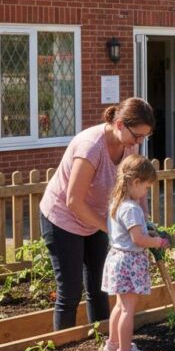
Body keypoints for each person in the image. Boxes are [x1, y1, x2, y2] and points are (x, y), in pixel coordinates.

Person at [39, 98, 155, 330]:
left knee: (100, 287)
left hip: (98, 217)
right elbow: (73, 201)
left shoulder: (130, 144)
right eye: (137, 135)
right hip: (63, 219)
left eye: (144, 137)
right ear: (120, 124)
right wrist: (112, 228)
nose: (139, 142)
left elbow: (136, 185)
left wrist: (144, 220)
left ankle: (103, 340)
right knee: (70, 291)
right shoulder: (91, 147)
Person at [101, 155, 166, 351]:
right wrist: (157, 242)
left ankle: (113, 343)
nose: (146, 192)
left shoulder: (117, 202)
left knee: (120, 306)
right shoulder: (131, 208)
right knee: (128, 309)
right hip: (129, 261)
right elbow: (138, 238)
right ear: (136, 182)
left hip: (117, 258)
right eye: (146, 187)